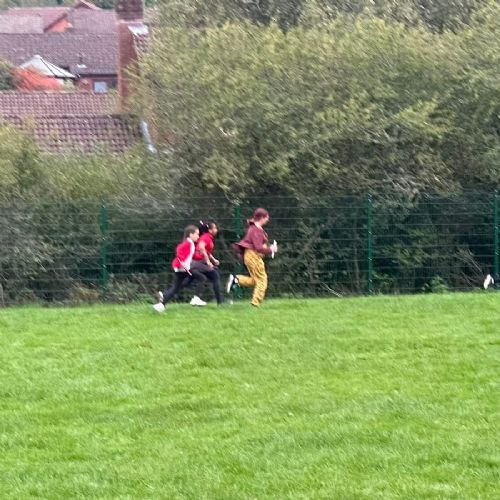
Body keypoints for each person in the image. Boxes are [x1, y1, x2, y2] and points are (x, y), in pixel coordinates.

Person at [226, 208, 278, 307]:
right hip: (253, 256)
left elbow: (258, 245)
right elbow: (258, 248)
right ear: (262, 217)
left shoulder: (253, 228)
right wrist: (271, 249)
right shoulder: (256, 230)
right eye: (266, 218)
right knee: (262, 280)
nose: (267, 220)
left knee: (255, 280)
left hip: (250, 256)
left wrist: (268, 248)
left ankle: (236, 280)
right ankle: (255, 303)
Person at [153, 225, 206, 313]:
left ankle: (162, 303)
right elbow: (179, 253)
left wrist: (201, 255)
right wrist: (181, 265)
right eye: (197, 234)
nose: (198, 236)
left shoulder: (190, 244)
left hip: (181, 269)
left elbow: (190, 256)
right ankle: (196, 298)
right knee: (202, 278)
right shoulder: (188, 244)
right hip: (183, 269)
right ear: (191, 234)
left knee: (177, 287)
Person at [190, 221, 224, 305]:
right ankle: (219, 301)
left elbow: (207, 251)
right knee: (214, 275)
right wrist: (208, 262)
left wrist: (213, 260)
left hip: (198, 262)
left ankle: (165, 295)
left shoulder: (208, 237)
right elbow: (202, 248)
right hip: (197, 262)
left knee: (186, 281)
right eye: (215, 228)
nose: (216, 230)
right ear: (210, 230)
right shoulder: (205, 237)